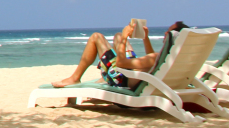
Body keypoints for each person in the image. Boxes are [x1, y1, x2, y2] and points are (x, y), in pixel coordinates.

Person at [51, 20, 189, 89]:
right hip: (134, 74)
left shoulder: (157, 57)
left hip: (120, 78)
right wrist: (145, 38)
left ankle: (75, 78)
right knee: (117, 36)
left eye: (169, 32)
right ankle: (103, 74)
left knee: (96, 37)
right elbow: (153, 60)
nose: (165, 33)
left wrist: (125, 37)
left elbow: (121, 64)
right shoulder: (173, 58)